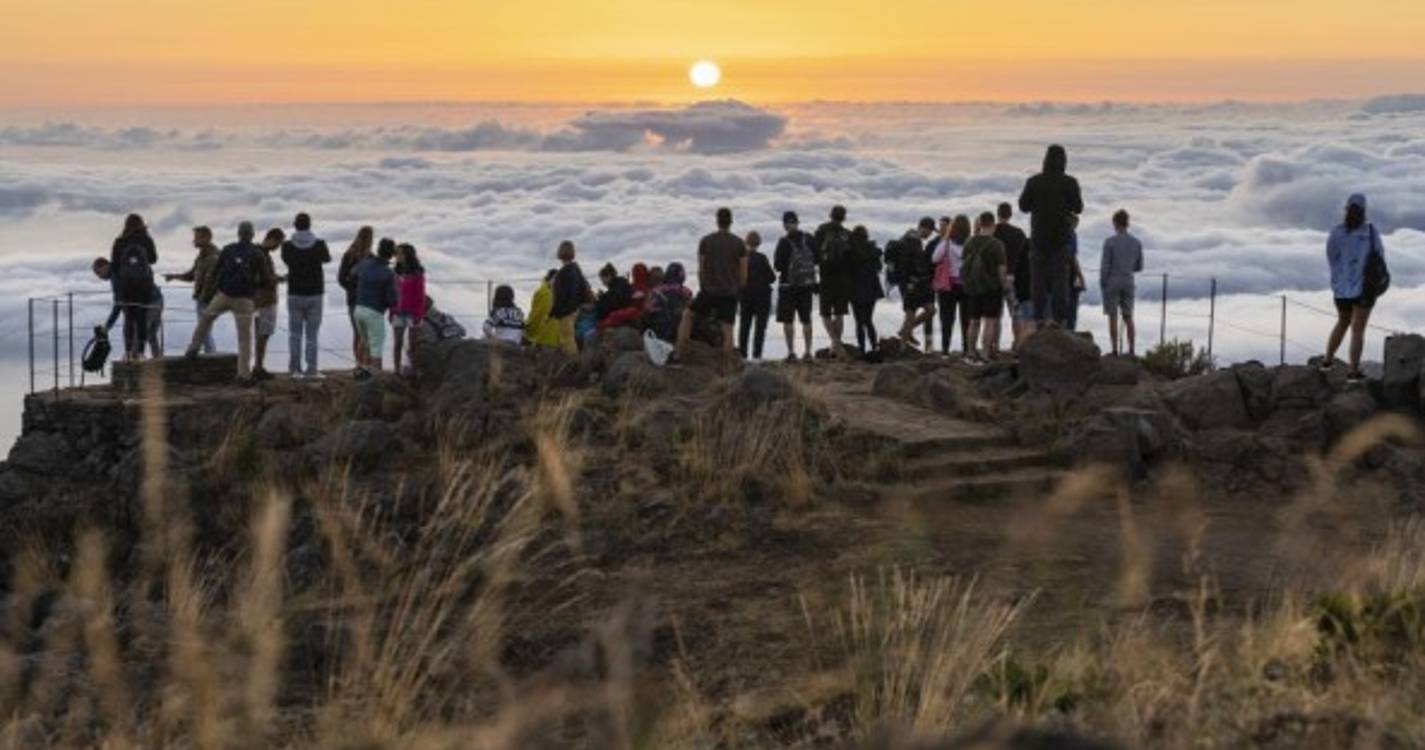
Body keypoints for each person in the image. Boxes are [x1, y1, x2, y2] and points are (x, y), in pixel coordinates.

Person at [185, 222, 272, 382]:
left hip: (224, 295)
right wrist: (255, 290)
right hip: (245, 300)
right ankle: (244, 375)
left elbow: (216, 272)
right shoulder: (257, 253)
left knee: (206, 318)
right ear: (252, 235)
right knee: (244, 338)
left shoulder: (228, 249)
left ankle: (193, 348)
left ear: (239, 234)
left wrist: (219, 289)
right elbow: (266, 280)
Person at [1018, 144, 1083, 328]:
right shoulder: (1070, 182)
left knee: (1037, 280)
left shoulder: (1034, 181)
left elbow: (1023, 206)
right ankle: (1058, 319)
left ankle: (1039, 317)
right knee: (1060, 280)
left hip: (1038, 237)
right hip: (1061, 238)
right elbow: (1078, 208)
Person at [1324, 193, 1386, 384]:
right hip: (1363, 289)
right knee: (1358, 330)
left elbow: (1331, 257)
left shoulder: (1337, 232)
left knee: (1342, 323)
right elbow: (1380, 255)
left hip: (1341, 289)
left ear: (1346, 209)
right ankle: (1353, 372)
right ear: (1364, 210)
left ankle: (1327, 361)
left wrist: (1341, 275)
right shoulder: (1371, 231)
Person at [678, 207, 747, 364]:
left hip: (709, 291)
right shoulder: (739, 243)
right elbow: (743, 273)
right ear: (731, 222)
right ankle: (727, 366)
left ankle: (679, 353)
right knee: (727, 329)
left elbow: (701, 269)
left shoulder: (706, 241)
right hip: (729, 292)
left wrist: (703, 286)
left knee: (688, 315)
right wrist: (738, 289)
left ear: (717, 221)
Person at [281, 212, 331, 378]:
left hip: (294, 293)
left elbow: (286, 260)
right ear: (310, 225)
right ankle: (312, 369)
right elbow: (327, 258)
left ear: (295, 225)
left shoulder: (287, 246)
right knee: (312, 335)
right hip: (315, 293)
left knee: (295, 334)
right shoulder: (319, 244)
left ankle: (294, 369)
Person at [960, 212, 1009, 364]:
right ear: (993, 225)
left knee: (973, 321)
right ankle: (985, 353)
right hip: (992, 288)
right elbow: (1001, 269)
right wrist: (1004, 285)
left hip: (973, 287)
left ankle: (970, 352)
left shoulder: (969, 242)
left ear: (980, 224)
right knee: (990, 321)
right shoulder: (997, 244)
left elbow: (964, 264)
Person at [109, 214, 159, 361]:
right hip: (144, 285)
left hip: (126, 286)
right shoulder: (146, 239)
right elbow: (154, 259)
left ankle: (128, 352)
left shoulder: (119, 241)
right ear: (141, 224)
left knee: (129, 319)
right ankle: (141, 353)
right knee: (141, 317)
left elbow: (115, 265)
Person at [164, 226, 219, 354]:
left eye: (197, 238)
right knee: (205, 330)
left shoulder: (214, 257)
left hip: (208, 300)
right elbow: (192, 275)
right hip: (202, 299)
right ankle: (210, 354)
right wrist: (174, 276)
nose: (194, 241)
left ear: (207, 238)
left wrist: (205, 299)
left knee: (204, 330)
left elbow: (212, 282)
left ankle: (211, 356)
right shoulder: (201, 257)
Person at [95, 257, 163, 359]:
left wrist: (107, 326)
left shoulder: (116, 275)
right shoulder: (122, 266)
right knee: (150, 334)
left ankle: (132, 362)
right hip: (157, 299)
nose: (99, 277)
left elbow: (118, 304)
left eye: (98, 273)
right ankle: (157, 359)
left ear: (105, 266)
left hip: (147, 303)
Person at [773, 211, 819, 362]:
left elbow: (778, 266)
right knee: (806, 319)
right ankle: (807, 353)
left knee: (788, 320)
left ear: (785, 225)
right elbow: (817, 260)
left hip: (788, 285)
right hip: (806, 285)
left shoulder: (783, 242)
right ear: (798, 222)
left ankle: (791, 352)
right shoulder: (810, 239)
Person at [1100, 209, 1144, 357]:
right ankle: (1131, 350)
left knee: (1112, 316)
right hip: (1128, 280)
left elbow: (1105, 266)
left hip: (1112, 281)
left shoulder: (1109, 242)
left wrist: (1103, 282)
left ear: (1116, 223)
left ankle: (1114, 350)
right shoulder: (1136, 243)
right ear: (1127, 223)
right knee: (1128, 316)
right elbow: (1139, 266)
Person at [352, 239, 398, 379]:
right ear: (391, 254)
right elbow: (392, 300)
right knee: (376, 347)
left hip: (358, 308)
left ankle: (359, 370)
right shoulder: (388, 273)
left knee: (363, 341)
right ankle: (376, 380)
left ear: (378, 250)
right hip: (374, 312)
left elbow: (353, 273)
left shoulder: (364, 264)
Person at [887, 217, 937, 346]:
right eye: (930, 231)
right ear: (923, 228)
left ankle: (905, 332)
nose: (930, 234)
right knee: (911, 313)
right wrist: (909, 281)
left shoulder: (913, 240)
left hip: (916, 282)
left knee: (930, 310)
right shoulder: (910, 241)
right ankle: (902, 346)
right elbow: (905, 264)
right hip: (910, 283)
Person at [814, 206, 854, 358]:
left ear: (830, 215)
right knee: (839, 313)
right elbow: (851, 258)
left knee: (825, 314)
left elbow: (815, 254)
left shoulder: (821, 230)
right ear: (843, 217)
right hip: (843, 278)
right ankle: (837, 346)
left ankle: (835, 343)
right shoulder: (847, 234)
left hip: (826, 277)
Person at [994, 204, 1033, 348]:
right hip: (1013, 278)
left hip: (994, 279)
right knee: (1016, 314)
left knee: (995, 316)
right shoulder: (1018, 233)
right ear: (1010, 215)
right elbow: (1025, 259)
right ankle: (1018, 344)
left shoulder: (993, 232)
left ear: (998, 214)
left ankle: (994, 345)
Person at [932, 215, 971, 356]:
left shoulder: (946, 244)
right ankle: (967, 349)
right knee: (966, 320)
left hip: (948, 285)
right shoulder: (971, 243)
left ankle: (945, 351)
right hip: (967, 285)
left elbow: (934, 258)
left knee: (947, 319)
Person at [338, 228, 376, 367]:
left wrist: (351, 289)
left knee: (358, 334)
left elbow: (341, 279)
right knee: (367, 334)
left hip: (353, 300)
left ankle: (359, 364)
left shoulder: (348, 255)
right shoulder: (370, 257)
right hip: (368, 300)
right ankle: (365, 363)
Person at [250, 228, 284, 381]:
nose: (277, 247)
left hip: (260, 300)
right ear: (272, 239)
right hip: (264, 300)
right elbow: (261, 278)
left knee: (262, 334)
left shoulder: (261, 254)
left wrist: (275, 277)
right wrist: (275, 280)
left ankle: (258, 366)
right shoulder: (260, 255)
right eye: (278, 243)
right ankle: (258, 367)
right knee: (262, 335)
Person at [738, 231, 775, 360]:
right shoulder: (762, 257)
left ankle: (742, 354)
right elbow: (772, 278)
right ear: (758, 243)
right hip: (762, 297)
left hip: (745, 296)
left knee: (744, 326)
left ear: (746, 242)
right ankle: (757, 355)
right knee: (760, 327)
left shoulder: (741, 258)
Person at [390, 243, 426, 375]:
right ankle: (396, 371)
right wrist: (392, 311)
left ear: (407, 255)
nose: (396, 256)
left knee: (413, 346)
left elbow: (420, 295)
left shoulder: (417, 273)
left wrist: (418, 315)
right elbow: (392, 292)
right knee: (397, 343)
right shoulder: (395, 271)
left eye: (399, 253)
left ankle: (413, 370)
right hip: (398, 312)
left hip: (412, 313)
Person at [848, 225, 884, 355]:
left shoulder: (851, 251)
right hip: (872, 287)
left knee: (859, 322)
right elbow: (879, 268)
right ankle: (874, 347)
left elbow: (847, 270)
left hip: (855, 288)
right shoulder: (873, 250)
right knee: (868, 320)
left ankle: (862, 349)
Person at [551, 241, 591, 355]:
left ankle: (573, 363)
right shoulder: (575, 269)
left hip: (566, 310)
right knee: (567, 338)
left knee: (567, 339)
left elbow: (565, 293)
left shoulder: (567, 271)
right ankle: (570, 362)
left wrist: (557, 309)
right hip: (573, 308)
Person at [921, 217, 951, 350]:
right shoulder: (933, 243)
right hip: (931, 280)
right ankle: (929, 343)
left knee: (946, 313)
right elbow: (926, 262)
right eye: (941, 226)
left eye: (945, 226)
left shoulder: (954, 242)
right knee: (929, 311)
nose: (942, 228)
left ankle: (945, 344)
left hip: (948, 282)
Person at [644, 262, 692, 343]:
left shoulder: (655, 291)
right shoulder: (686, 292)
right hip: (678, 330)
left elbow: (647, 309)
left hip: (657, 331)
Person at [525, 269, 563, 348]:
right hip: (542, 336)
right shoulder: (543, 292)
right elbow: (537, 313)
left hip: (555, 338)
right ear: (550, 278)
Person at [1065, 215, 1086, 332]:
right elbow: (1073, 257)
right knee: (1071, 306)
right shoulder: (1072, 235)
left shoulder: (1061, 234)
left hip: (1058, 273)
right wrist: (1080, 276)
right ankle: (1070, 330)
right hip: (1069, 273)